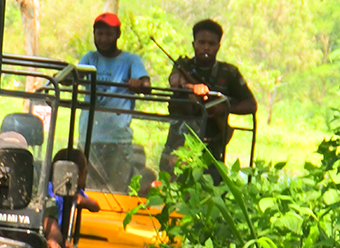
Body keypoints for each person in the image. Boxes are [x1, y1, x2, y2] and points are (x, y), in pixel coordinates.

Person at [162, 18, 256, 177]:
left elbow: (250, 105)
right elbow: (175, 81)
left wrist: (223, 108)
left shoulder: (228, 73)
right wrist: (191, 88)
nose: (206, 47)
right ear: (194, 44)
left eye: (211, 44)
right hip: (178, 143)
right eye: (201, 42)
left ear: (218, 47)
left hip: (211, 148)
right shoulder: (183, 65)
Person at [78, 13, 150, 192]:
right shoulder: (90, 58)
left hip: (117, 140)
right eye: (99, 34)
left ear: (118, 35)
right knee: (87, 190)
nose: (103, 39)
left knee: (116, 192)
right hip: (89, 138)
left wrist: (138, 84)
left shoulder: (130, 60)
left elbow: (147, 85)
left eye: (108, 34)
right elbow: (76, 76)